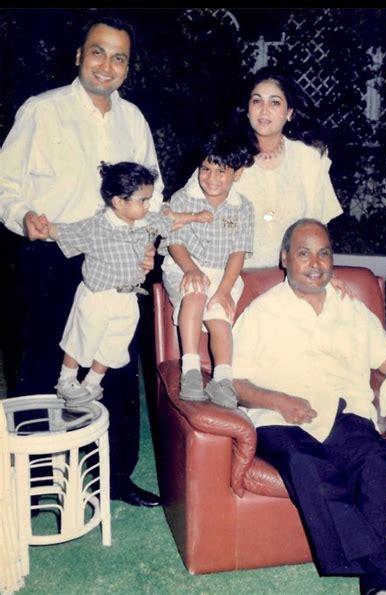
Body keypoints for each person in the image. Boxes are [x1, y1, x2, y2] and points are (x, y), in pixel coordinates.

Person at [232, 219, 386, 595]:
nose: (315, 263)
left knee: (376, 458)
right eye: (303, 253)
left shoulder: (351, 308)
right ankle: (383, 570)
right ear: (285, 259)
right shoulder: (260, 314)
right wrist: (276, 400)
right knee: (306, 463)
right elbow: (232, 381)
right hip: (278, 419)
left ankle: (375, 582)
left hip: (342, 412)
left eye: (323, 253)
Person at [0, 16, 164, 507]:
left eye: (119, 57)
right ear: (79, 56)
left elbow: (152, 197)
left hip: (117, 257)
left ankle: (115, 476)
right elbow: (4, 181)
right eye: (98, 52)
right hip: (52, 255)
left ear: (128, 67)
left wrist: (151, 240)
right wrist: (23, 214)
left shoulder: (133, 119)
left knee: (113, 360)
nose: (106, 65)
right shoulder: (41, 111)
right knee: (45, 362)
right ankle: (37, 478)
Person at [33, 161, 212, 408]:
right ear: (118, 202)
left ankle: (93, 382)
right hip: (98, 296)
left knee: (115, 343)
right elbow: (62, 231)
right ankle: (66, 379)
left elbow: (169, 221)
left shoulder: (145, 221)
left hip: (128, 297)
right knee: (83, 337)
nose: (149, 205)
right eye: (143, 200)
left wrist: (195, 217)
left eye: (149, 199)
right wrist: (43, 227)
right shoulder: (95, 227)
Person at [186, 65, 343, 270]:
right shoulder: (225, 154)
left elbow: (318, 232)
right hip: (228, 278)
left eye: (275, 102)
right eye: (257, 101)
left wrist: (326, 273)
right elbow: (185, 209)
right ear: (247, 111)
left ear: (289, 113)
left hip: (293, 280)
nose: (264, 110)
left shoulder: (309, 158)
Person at [160, 131, 256, 408]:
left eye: (220, 172)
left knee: (219, 316)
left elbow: (238, 252)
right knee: (196, 292)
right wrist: (190, 269)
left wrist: (225, 290)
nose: (211, 178)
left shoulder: (243, 207)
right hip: (183, 265)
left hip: (224, 273)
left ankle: (223, 378)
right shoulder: (183, 198)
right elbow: (174, 242)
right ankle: (190, 370)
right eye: (206, 169)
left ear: (237, 174)